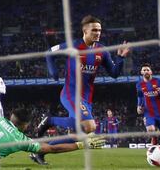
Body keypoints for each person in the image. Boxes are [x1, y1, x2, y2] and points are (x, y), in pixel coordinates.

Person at [32, 15, 130, 164]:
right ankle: (50, 120)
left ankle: (39, 151)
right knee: (90, 126)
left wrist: (121, 59)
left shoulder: (102, 51)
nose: (97, 33)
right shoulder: (73, 46)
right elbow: (49, 53)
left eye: (99, 30)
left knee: (79, 134)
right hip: (70, 94)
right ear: (85, 30)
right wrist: (54, 73)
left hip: (86, 98)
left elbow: (115, 73)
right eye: (94, 30)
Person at [136, 63, 160, 145]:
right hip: (149, 112)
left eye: (148, 70)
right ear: (141, 72)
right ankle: (154, 140)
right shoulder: (139, 84)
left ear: (151, 72)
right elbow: (140, 97)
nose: (146, 71)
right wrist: (138, 106)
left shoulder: (159, 81)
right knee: (150, 129)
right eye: (144, 70)